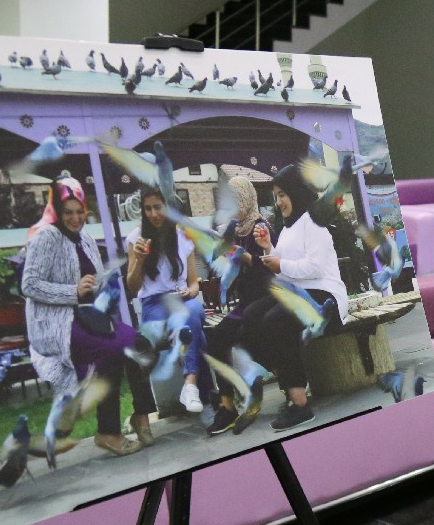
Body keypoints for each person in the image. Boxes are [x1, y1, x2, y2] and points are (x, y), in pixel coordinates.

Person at [21, 177, 157, 455]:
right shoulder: (46, 237)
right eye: (68, 212)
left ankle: (139, 415)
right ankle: (107, 431)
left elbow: (94, 281)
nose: (75, 218)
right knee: (113, 351)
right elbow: (29, 285)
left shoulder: (86, 239)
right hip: (56, 323)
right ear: (56, 211)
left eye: (79, 211)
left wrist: (105, 286)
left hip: (90, 318)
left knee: (141, 346)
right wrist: (72, 290)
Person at [213, 164, 348, 433]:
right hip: (297, 293)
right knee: (250, 317)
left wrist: (279, 263)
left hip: (325, 296)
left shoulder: (314, 223)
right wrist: (268, 250)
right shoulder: (288, 229)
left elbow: (314, 267)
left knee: (276, 319)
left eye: (283, 194)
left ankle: (300, 404)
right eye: (276, 196)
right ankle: (285, 375)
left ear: (297, 192)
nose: (279, 202)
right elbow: (284, 268)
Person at [125, 187, 210, 414]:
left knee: (193, 311)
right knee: (196, 333)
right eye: (148, 209)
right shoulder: (136, 239)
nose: (153, 214)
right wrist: (139, 261)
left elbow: (194, 284)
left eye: (158, 207)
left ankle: (189, 385)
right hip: (154, 304)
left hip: (180, 298)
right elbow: (132, 287)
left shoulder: (183, 237)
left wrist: (189, 292)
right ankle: (203, 392)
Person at [205, 175, 274, 434]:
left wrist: (243, 257)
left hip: (266, 298)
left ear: (246, 198)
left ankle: (263, 386)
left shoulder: (260, 226)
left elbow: (270, 268)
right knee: (216, 338)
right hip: (246, 302)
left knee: (241, 336)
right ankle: (227, 406)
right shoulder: (235, 229)